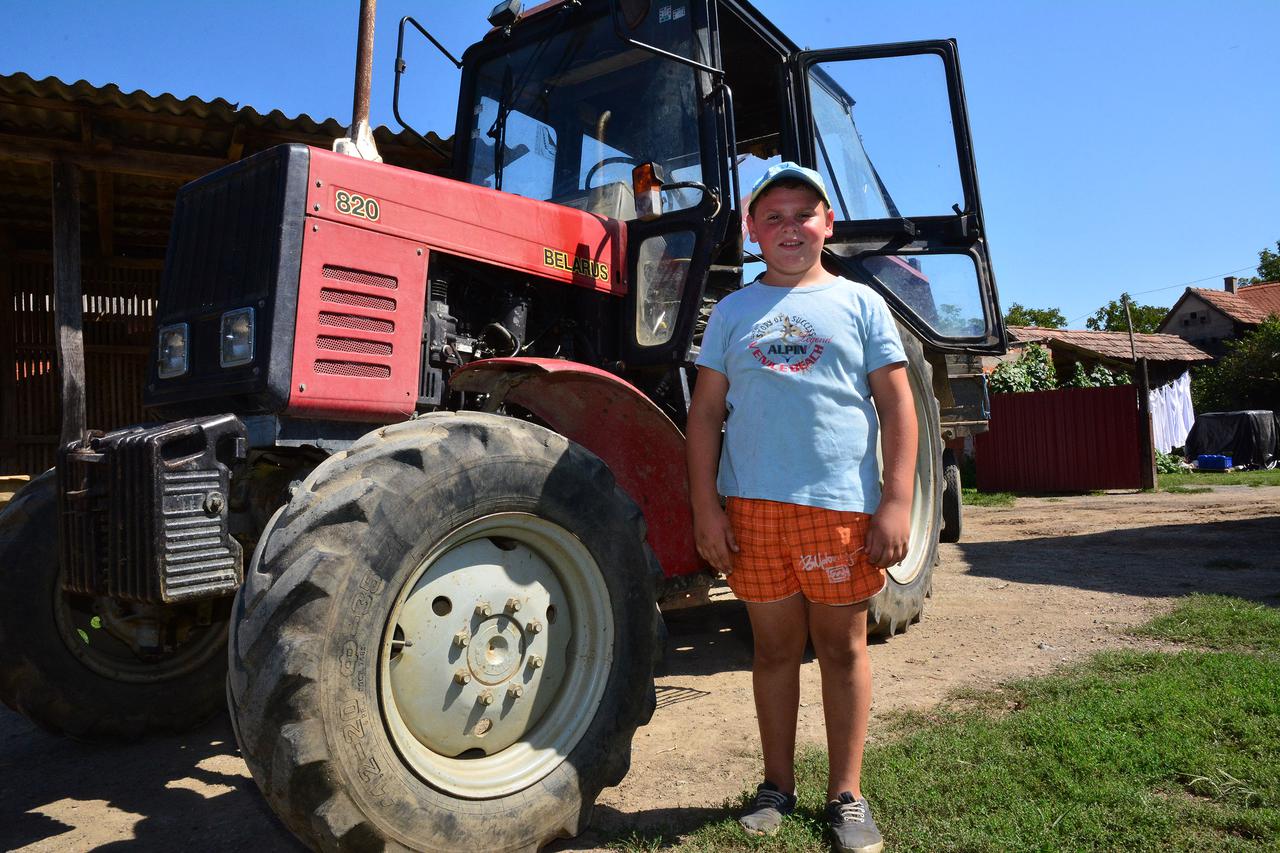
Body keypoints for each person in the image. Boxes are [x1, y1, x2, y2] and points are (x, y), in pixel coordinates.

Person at [686, 162, 916, 853]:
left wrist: (897, 499)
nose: (790, 227)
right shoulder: (731, 312)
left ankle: (846, 795)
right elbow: (703, 417)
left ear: (828, 224)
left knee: (842, 649)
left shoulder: (861, 305)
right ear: (752, 230)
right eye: (774, 216)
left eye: (803, 213)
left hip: (840, 511)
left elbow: (898, 406)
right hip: (752, 511)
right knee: (775, 649)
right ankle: (776, 786)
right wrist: (707, 509)